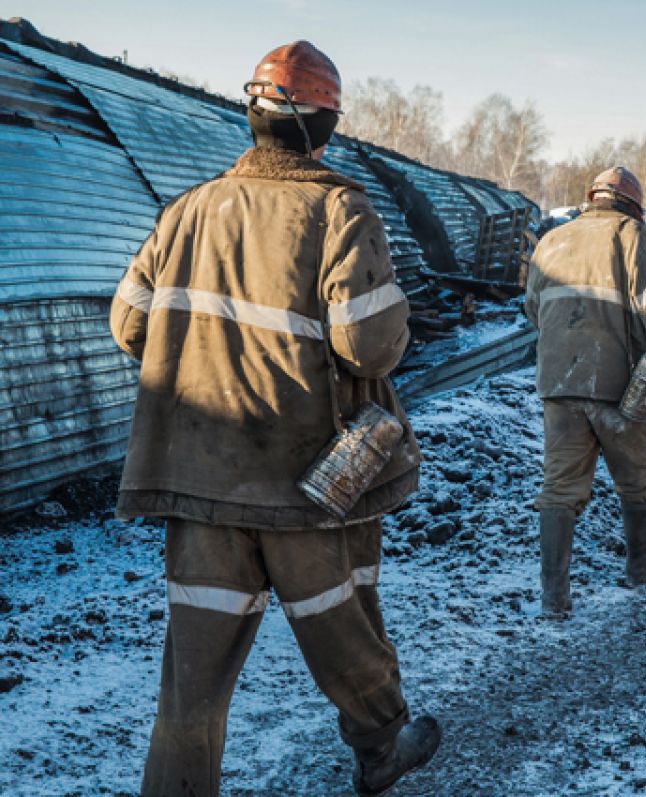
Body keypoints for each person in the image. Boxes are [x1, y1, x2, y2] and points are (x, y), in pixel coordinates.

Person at [109, 42, 439, 797]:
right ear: (324, 127)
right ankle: (381, 750)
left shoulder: (187, 210)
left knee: (191, 682)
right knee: (343, 631)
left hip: (200, 486)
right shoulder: (339, 208)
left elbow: (129, 325)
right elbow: (370, 344)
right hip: (309, 484)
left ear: (251, 116)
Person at [524, 166, 646, 617]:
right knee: (637, 479)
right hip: (620, 385)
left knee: (560, 487)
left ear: (590, 198)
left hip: (559, 384)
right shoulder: (633, 235)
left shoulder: (552, 240)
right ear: (634, 206)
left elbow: (534, 308)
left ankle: (554, 599)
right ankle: (642, 561)